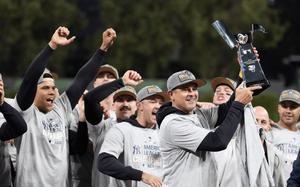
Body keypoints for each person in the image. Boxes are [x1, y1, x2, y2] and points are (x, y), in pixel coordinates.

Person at [7, 26, 116, 187]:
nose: (51, 91)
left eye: (53, 87)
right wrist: (52, 45)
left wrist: (103, 48)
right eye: (45, 88)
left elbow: (81, 80)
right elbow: (30, 79)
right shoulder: (24, 110)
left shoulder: (60, 108)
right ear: (33, 92)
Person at [156, 70, 260, 187]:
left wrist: (243, 71)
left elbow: (224, 111)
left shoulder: (198, 114)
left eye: (194, 89)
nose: (192, 93)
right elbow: (217, 142)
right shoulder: (173, 123)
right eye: (185, 89)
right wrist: (239, 104)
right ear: (171, 95)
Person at [98, 85, 169, 187]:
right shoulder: (121, 129)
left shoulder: (163, 133)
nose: (158, 106)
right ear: (139, 106)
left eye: (161, 103)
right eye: (152, 101)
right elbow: (104, 162)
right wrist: (141, 175)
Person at [84, 70, 142, 187]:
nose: (125, 104)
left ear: (137, 106)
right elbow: (90, 99)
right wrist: (122, 81)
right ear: (113, 106)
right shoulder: (103, 126)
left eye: (129, 100)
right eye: (120, 100)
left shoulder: (144, 131)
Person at [267, 89, 300, 183]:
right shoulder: (268, 132)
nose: (288, 111)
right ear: (278, 108)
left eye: (293, 107)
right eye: (285, 106)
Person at [0, 74, 27, 187]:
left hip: (8, 176)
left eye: (0, 81)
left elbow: (21, 127)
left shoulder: (10, 105)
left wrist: (2, 103)